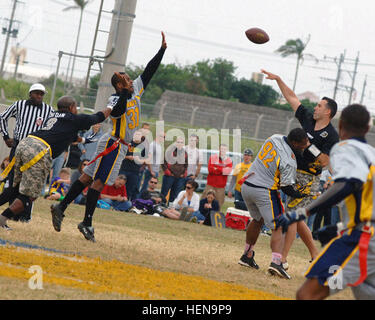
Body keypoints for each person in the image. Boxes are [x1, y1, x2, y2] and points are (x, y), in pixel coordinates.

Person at [50, 32, 167, 242]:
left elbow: (149, 71)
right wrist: (122, 91)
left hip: (117, 145)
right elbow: (116, 112)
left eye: (130, 79)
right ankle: (86, 222)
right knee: (99, 182)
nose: (132, 82)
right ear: (119, 86)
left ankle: (61, 206)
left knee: (87, 178)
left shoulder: (136, 90)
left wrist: (162, 51)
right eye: (127, 81)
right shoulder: (116, 97)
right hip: (114, 144)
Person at [275, 104, 375, 300]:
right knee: (366, 293)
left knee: (307, 295)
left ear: (340, 126)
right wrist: (340, 226)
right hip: (364, 234)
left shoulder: (344, 148)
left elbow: (348, 183)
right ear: (368, 129)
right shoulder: (372, 153)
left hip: (362, 238)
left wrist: (304, 212)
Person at [261, 69, 339, 269]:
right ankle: (315, 253)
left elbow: (325, 161)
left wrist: (307, 146)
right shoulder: (308, 119)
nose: (315, 107)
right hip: (292, 173)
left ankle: (282, 260)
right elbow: (292, 98)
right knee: (297, 216)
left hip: (309, 179)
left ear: (328, 112)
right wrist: (279, 79)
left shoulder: (331, 135)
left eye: (319, 106)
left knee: (292, 216)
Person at [0, 95, 114, 230]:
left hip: (26, 143)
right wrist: (111, 106)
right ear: (71, 107)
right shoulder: (74, 118)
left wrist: (85, 141)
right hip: (40, 150)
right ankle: (2, 218)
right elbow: (99, 117)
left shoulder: (53, 116)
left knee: (14, 187)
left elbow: (69, 136)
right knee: (30, 195)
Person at [238, 128, 309, 280]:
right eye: (303, 145)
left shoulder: (275, 137)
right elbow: (286, 188)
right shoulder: (289, 160)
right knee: (280, 225)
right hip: (264, 190)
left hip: (247, 185)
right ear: (295, 143)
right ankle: (276, 262)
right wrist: (301, 194)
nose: (305, 147)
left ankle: (247, 255)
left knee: (257, 220)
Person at [0, 83, 54, 222]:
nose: (39, 96)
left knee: (30, 182)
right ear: (30, 94)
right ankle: (11, 215)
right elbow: (2, 117)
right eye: (36, 93)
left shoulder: (48, 109)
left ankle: (24, 215)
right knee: (13, 181)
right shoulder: (19, 105)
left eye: (41, 94)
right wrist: (6, 137)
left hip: (36, 150)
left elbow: (53, 126)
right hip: (19, 146)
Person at [119, 129, 150, 201]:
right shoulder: (127, 144)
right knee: (120, 186)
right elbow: (120, 155)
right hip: (124, 169)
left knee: (131, 188)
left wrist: (139, 160)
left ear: (141, 137)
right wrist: (128, 157)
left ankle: (127, 202)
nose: (137, 136)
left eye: (139, 135)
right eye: (135, 134)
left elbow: (146, 160)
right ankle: (118, 201)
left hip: (135, 171)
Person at [202, 144, 232, 210]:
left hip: (220, 186)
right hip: (210, 184)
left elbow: (227, 172)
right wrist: (222, 169)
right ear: (219, 149)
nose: (222, 151)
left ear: (226, 150)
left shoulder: (228, 160)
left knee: (218, 203)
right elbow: (210, 169)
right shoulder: (213, 158)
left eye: (224, 149)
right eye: (221, 149)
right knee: (204, 200)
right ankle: (202, 214)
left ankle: (215, 216)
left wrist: (217, 168)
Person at [160, 136, 188, 203]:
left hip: (179, 178)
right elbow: (163, 162)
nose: (180, 144)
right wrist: (168, 172)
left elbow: (186, 164)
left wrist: (183, 174)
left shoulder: (185, 153)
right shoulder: (169, 151)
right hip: (169, 176)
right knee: (164, 193)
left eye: (181, 142)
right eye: (178, 142)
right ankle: (161, 205)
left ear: (183, 144)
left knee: (175, 194)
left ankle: (171, 207)